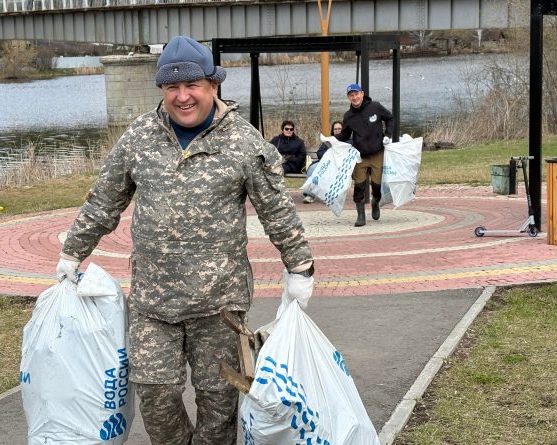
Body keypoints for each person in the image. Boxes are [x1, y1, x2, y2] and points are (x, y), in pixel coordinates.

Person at [54, 35, 314, 445]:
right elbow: (104, 200)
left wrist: (299, 267)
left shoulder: (244, 143)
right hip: (153, 304)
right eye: (172, 87)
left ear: (213, 85)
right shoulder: (140, 138)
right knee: (156, 397)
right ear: (162, 90)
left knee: (220, 403)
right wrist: (73, 251)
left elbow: (277, 210)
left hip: (219, 305)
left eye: (192, 85)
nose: (183, 96)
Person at [335, 83, 395, 226]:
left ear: (362, 94)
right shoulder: (348, 116)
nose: (354, 97)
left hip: (377, 152)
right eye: (351, 95)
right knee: (359, 186)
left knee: (376, 185)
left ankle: (375, 201)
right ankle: (360, 216)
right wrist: (332, 139)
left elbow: (390, 118)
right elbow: (344, 135)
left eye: (356, 94)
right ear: (348, 98)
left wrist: (388, 134)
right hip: (360, 156)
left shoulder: (375, 107)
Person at [302, 120, 344, 204]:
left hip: (338, 165)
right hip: (324, 163)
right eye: (335, 129)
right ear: (333, 130)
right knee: (312, 168)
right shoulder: (328, 140)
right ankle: (309, 195)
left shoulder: (347, 141)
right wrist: (329, 154)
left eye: (339, 129)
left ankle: (328, 195)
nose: (337, 130)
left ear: (343, 130)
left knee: (330, 171)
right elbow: (319, 152)